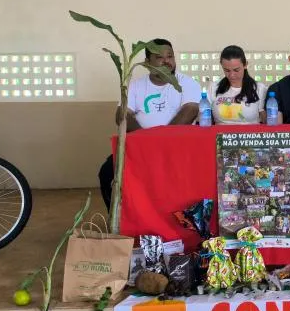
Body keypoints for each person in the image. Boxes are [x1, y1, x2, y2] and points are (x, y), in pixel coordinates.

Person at [98, 38, 201, 210]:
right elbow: (122, 115)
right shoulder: (135, 86)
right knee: (107, 172)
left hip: (175, 146)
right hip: (139, 146)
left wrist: (159, 141)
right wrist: (146, 141)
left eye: (170, 56)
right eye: (160, 57)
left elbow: (189, 111)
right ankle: (118, 221)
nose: (167, 60)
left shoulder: (187, 83)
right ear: (147, 63)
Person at [208, 45, 267, 124]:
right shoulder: (214, 87)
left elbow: (266, 122)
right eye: (227, 70)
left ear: (245, 65)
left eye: (236, 70)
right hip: (220, 134)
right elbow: (206, 119)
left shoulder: (259, 88)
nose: (232, 75)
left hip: (249, 134)